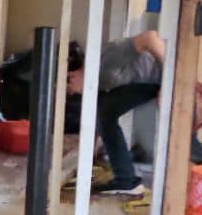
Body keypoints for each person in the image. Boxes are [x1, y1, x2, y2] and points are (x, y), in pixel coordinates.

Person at [67, 30, 165, 197]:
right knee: (104, 112)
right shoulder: (96, 80)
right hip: (146, 83)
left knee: (105, 112)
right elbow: (97, 119)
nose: (70, 93)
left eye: (67, 88)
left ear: (72, 76)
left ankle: (126, 180)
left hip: (157, 79)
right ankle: (126, 179)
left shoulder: (104, 62)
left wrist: (167, 82)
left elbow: (150, 37)